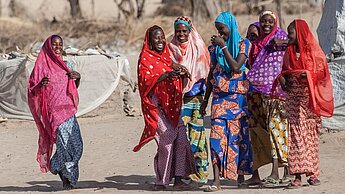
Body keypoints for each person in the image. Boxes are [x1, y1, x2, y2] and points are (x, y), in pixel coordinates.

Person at [133, 25, 196, 191]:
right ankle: (161, 181)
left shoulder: (167, 57)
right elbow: (145, 82)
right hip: (157, 108)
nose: (161, 41)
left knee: (182, 140)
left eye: (162, 37)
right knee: (166, 141)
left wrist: (181, 71)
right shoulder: (145, 58)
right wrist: (165, 76)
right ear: (150, 40)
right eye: (156, 38)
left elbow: (171, 66)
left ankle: (179, 179)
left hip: (173, 107)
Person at [274, 20, 334, 188]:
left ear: (299, 34)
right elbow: (283, 72)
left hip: (310, 100)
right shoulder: (288, 53)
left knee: (310, 137)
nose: (288, 36)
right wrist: (283, 79)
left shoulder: (314, 53)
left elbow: (321, 74)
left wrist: (306, 75)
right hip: (293, 99)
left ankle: (313, 174)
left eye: (291, 33)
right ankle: (297, 176)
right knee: (295, 136)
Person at [200, 12, 253, 192]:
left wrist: (223, 47)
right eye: (218, 30)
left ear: (230, 26)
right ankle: (216, 180)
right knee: (216, 138)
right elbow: (210, 74)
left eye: (222, 28)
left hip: (238, 101)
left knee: (237, 139)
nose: (220, 32)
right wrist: (205, 100)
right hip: (219, 100)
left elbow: (236, 66)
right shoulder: (214, 49)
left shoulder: (244, 45)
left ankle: (239, 177)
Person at [28, 35, 82, 190]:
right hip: (53, 112)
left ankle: (56, 164)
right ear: (48, 47)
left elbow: (73, 87)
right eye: (54, 44)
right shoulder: (42, 67)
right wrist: (39, 85)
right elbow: (32, 90)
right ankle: (67, 180)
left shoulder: (67, 64)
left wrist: (78, 78)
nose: (58, 47)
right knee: (64, 146)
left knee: (78, 146)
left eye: (60, 44)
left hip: (68, 111)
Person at [244, 10, 290, 186]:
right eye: (263, 21)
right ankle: (257, 174)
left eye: (270, 21)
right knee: (257, 130)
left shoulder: (280, 37)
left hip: (276, 93)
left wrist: (283, 43)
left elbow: (295, 45)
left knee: (276, 129)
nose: (266, 24)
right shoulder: (256, 43)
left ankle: (280, 172)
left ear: (275, 22)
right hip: (256, 94)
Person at [169, 16, 210, 184]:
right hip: (178, 100)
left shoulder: (199, 48)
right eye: (178, 31)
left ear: (190, 31)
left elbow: (206, 72)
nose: (181, 34)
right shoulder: (170, 49)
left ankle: (200, 174)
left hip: (196, 99)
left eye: (184, 31)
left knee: (197, 136)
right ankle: (183, 173)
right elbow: (164, 66)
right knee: (180, 139)